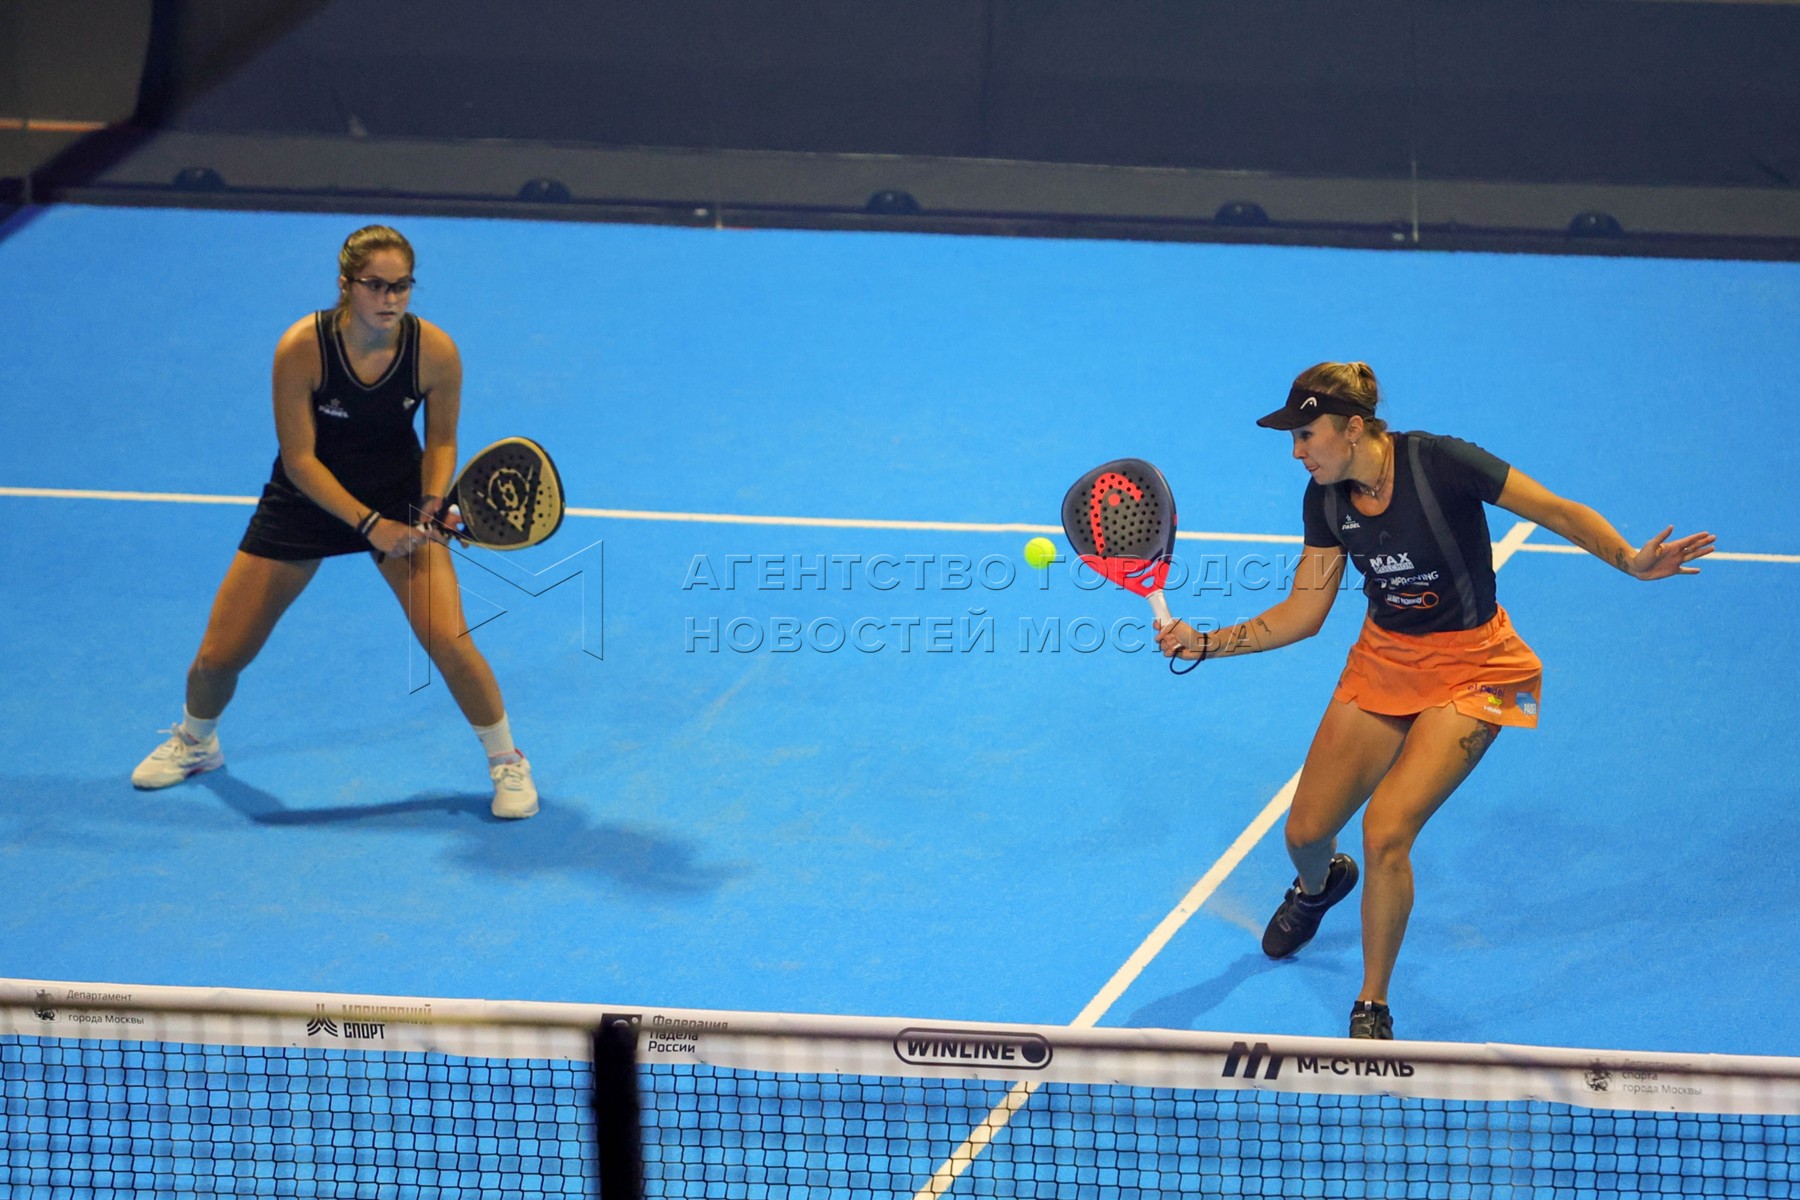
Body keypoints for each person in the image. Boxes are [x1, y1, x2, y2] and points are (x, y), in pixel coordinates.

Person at [1154, 361, 1712, 1039]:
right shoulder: (1325, 499)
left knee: (1386, 830)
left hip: (1478, 667)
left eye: (1305, 435)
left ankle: (1372, 1003)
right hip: (1386, 658)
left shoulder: (1440, 463)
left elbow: (1555, 510)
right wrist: (1207, 643)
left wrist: (1629, 559)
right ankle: (1318, 888)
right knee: (1303, 835)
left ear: (1352, 428)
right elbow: (1304, 612)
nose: (1297, 452)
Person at [132, 225, 539, 819]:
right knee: (218, 658)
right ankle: (197, 742)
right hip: (307, 500)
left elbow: (442, 441)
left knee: (449, 643)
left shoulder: (435, 351)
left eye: (402, 286)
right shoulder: (303, 346)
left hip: (398, 497)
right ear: (346, 284)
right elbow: (300, 460)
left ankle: (507, 761)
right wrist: (370, 525)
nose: (390, 299)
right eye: (376, 285)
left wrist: (430, 500)